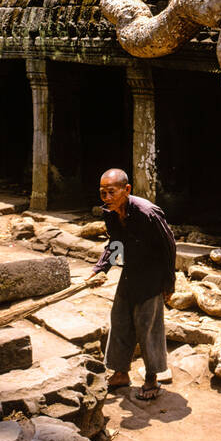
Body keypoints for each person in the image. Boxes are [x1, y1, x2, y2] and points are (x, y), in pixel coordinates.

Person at [88, 169, 176, 401]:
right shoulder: (110, 212)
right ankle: (120, 373)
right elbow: (115, 243)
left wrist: (169, 283)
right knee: (119, 321)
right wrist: (100, 269)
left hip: (152, 277)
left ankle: (151, 378)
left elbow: (169, 247)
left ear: (126, 190)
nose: (106, 197)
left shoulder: (147, 213)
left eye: (111, 192)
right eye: (102, 192)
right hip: (130, 274)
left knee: (148, 327)